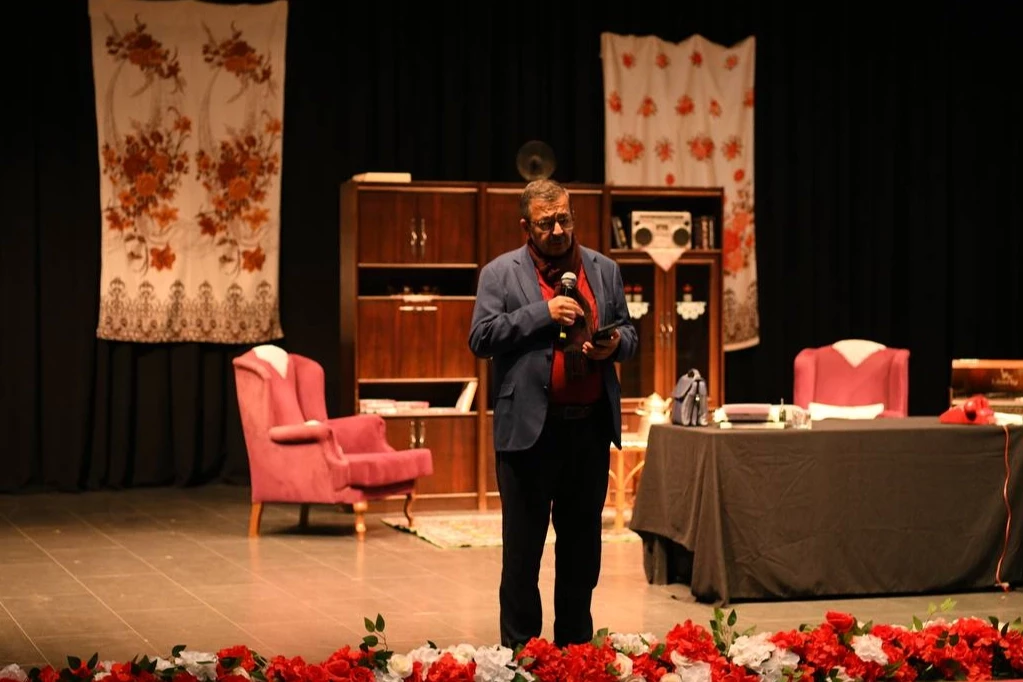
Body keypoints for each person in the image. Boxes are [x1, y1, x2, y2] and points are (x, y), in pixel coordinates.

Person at [468, 178, 637, 649]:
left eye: (564, 218)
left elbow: (628, 331)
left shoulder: (603, 269)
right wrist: (543, 313)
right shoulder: (500, 274)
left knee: (582, 554)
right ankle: (521, 655)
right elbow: (481, 337)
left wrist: (615, 345)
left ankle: (574, 653)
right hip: (529, 434)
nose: (558, 230)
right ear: (527, 227)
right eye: (546, 223)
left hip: (588, 431)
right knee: (523, 555)